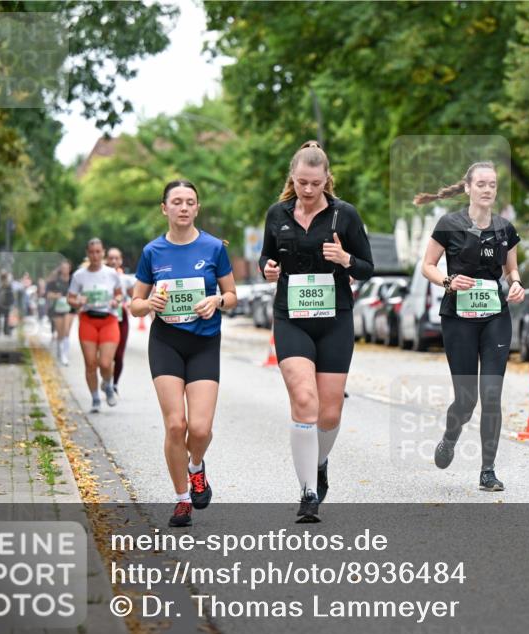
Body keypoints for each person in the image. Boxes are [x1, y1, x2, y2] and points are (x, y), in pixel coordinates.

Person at [260, 141, 373, 523]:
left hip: (335, 318)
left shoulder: (345, 216)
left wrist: (346, 259)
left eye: (315, 184)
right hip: (291, 316)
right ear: (293, 178)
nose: (308, 191)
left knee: (329, 412)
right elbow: (266, 254)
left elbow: (368, 267)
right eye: (302, 183)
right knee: (304, 400)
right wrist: (268, 269)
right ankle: (309, 492)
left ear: (327, 179)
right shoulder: (277, 214)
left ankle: (319, 462)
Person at [131, 180, 236, 528]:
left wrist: (217, 301)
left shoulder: (213, 248)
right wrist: (149, 304)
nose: (184, 207)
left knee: (201, 429)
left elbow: (232, 295)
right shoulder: (152, 252)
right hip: (166, 343)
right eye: (176, 202)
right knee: (176, 424)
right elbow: (133, 304)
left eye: (190, 202)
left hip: (204, 341)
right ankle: (181, 500)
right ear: (164, 208)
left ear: (197, 208)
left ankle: (196, 468)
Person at [415, 161, 525, 492]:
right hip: (458, 319)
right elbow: (427, 266)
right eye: (481, 184)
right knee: (466, 400)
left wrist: (517, 284)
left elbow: (512, 270)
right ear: (467, 188)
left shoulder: (505, 229)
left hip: (494, 318)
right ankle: (451, 436)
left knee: (491, 394)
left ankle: (487, 471)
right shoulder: (449, 224)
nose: (487, 189)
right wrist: (448, 281)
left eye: (492, 184)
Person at [68, 240, 123, 413]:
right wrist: (78, 301)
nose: (95, 256)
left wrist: (116, 301)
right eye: (92, 252)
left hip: (108, 320)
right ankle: (95, 398)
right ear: (87, 253)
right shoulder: (79, 275)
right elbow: (70, 298)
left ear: (103, 253)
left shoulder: (111, 273)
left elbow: (119, 294)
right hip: (87, 320)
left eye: (98, 252)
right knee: (91, 363)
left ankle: (107, 385)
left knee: (105, 363)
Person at [106, 247, 136, 396]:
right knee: (106, 356)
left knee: (118, 355)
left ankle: (114, 384)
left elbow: (135, 298)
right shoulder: (101, 277)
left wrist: (131, 303)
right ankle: (106, 380)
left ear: (121, 260)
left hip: (121, 318)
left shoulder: (126, 280)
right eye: (110, 258)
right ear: (106, 260)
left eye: (116, 258)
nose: (113, 261)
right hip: (105, 319)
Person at [47, 261, 75, 365]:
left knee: (67, 330)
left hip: (70, 307)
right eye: (63, 268)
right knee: (61, 332)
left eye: (66, 268)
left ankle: (64, 354)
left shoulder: (74, 280)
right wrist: (56, 296)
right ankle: (60, 349)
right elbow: (48, 294)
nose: (65, 270)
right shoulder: (55, 281)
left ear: (70, 268)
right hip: (57, 308)